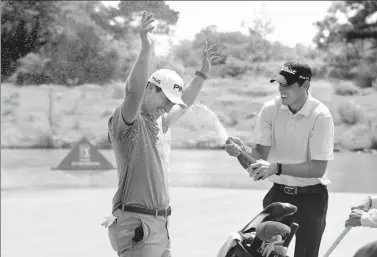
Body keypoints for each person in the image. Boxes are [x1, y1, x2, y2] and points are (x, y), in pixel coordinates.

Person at [102, 12, 219, 257]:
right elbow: (133, 94)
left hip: (160, 225)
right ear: (150, 89)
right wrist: (146, 48)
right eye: (166, 98)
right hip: (137, 224)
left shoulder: (160, 121)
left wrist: (202, 74)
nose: (169, 106)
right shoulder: (129, 123)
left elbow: (184, 102)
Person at [225, 61, 335, 257]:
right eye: (280, 84)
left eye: (288, 85)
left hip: (312, 199)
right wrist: (241, 152)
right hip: (278, 198)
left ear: (305, 85)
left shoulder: (320, 116)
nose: (282, 90)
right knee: (264, 253)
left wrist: (277, 168)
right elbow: (258, 162)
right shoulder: (270, 109)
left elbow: (318, 168)